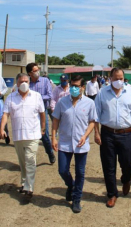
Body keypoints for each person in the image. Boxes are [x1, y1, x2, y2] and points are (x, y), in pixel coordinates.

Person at [94, 68, 131, 208]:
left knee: (127, 163)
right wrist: (96, 133)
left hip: (126, 134)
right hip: (107, 134)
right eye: (116, 78)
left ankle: (126, 179)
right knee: (108, 165)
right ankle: (112, 194)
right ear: (110, 78)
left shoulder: (130, 92)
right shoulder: (102, 93)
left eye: (121, 78)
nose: (118, 81)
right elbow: (95, 115)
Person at [51, 75, 97, 213]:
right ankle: (71, 186)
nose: (74, 88)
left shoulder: (89, 103)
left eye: (77, 86)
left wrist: (85, 136)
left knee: (80, 173)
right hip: (64, 142)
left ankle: (76, 199)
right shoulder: (62, 102)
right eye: (72, 85)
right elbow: (55, 121)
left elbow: (92, 122)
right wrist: (54, 138)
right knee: (63, 170)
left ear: (83, 87)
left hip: (81, 143)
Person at [0, 73, 45, 201]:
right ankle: (24, 182)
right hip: (18, 135)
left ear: (29, 82)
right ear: (17, 83)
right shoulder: (11, 98)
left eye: (26, 81)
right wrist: (2, 128)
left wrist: (43, 128)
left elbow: (42, 113)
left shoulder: (36, 96)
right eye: (21, 81)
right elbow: (5, 115)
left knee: (30, 160)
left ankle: (29, 188)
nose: (24, 83)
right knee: (22, 162)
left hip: (33, 134)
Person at [26, 63, 55, 164]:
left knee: (44, 134)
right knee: (29, 135)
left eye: (38, 69)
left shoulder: (45, 81)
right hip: (29, 112)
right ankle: (29, 159)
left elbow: (50, 95)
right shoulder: (27, 83)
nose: (38, 71)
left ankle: (50, 152)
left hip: (42, 111)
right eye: (35, 70)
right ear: (30, 73)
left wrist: (36, 97)